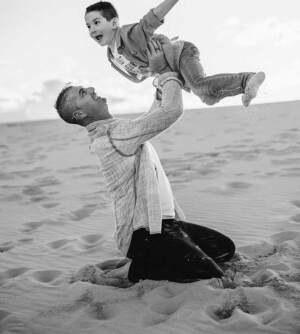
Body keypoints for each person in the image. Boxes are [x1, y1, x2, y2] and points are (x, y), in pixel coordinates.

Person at [54, 42, 235, 285]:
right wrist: (164, 73)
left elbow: (151, 116)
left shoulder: (116, 130)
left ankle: (154, 261)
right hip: (147, 234)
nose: (91, 88)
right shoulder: (111, 136)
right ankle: (136, 270)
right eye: (82, 93)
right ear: (79, 115)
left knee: (224, 250)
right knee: (212, 276)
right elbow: (170, 112)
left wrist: (161, 81)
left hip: (169, 224)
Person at [84, 0, 265, 108]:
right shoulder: (113, 58)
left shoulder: (129, 34)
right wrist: (155, 70)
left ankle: (248, 78)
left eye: (96, 22)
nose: (92, 29)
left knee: (199, 86)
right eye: (88, 26)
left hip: (181, 53)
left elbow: (150, 20)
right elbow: (138, 78)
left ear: (114, 22)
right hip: (171, 68)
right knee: (207, 98)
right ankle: (247, 88)